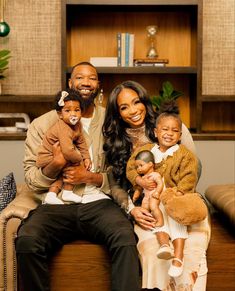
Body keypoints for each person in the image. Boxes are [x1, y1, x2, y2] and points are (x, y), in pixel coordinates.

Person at [15, 62, 140, 291]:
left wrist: (92, 178)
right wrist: (56, 164)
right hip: (56, 203)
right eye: (79, 78)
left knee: (124, 237)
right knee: (27, 241)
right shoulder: (42, 125)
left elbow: (122, 168)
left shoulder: (110, 120)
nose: (85, 82)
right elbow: (32, 178)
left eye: (91, 78)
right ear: (70, 84)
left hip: (99, 202)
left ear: (98, 86)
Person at [103, 80, 210, 291]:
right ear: (117, 113)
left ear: (145, 101)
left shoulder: (171, 126)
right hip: (145, 207)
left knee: (192, 246)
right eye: (124, 107)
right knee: (154, 251)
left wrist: (172, 193)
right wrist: (132, 209)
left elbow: (194, 169)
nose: (133, 110)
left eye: (136, 102)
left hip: (181, 201)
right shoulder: (115, 140)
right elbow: (114, 186)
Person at [36, 89, 91, 205]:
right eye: (67, 111)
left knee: (64, 173)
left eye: (77, 110)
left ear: (81, 111)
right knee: (73, 166)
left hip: (60, 154)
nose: (73, 114)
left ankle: (52, 195)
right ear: (60, 114)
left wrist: (87, 157)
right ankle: (66, 191)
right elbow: (67, 151)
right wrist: (80, 160)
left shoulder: (77, 125)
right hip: (48, 156)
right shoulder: (64, 128)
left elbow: (81, 142)